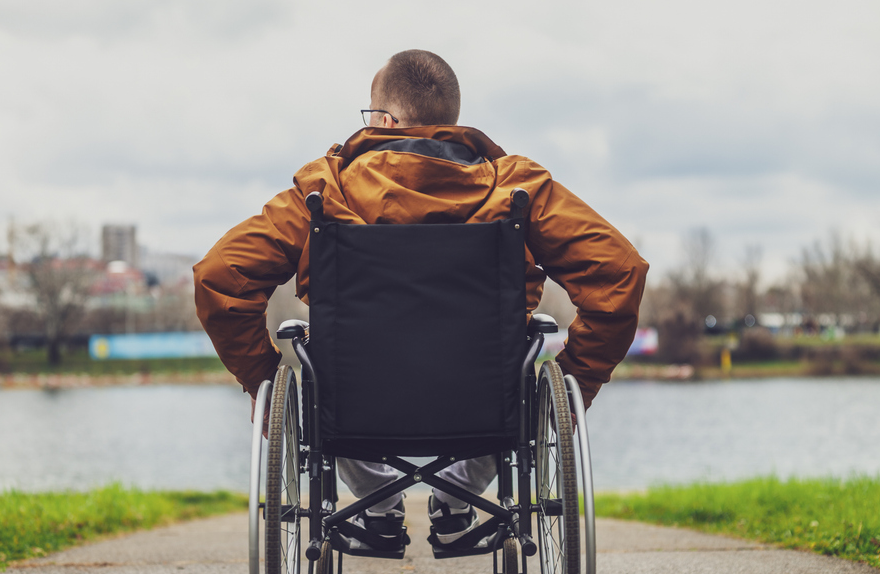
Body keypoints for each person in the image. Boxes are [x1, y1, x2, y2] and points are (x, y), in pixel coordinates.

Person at [194, 50, 648, 548]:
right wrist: (578, 381)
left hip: (353, 404)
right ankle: (458, 494)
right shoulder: (517, 187)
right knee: (516, 381)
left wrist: (261, 378)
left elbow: (220, 277)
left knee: (327, 374)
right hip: (487, 402)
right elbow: (619, 272)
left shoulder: (325, 190)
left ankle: (379, 501)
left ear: (386, 120)